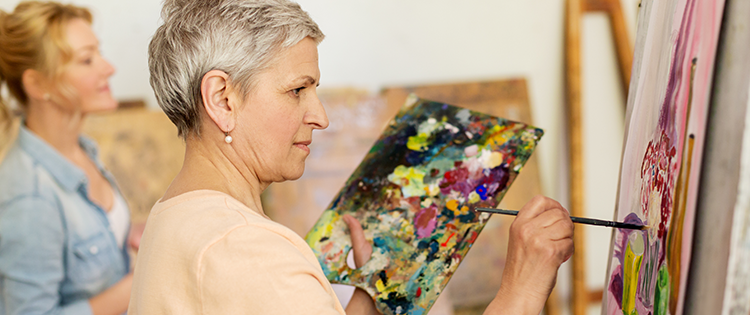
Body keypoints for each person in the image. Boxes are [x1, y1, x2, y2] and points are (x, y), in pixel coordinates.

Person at [128, 0, 575, 314]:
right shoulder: (248, 250)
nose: (319, 116)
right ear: (223, 99)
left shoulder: (174, 215)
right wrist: (522, 288)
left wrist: (366, 298)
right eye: (297, 90)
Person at [0, 2, 135, 314]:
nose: (108, 67)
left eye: (98, 53)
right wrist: (137, 283)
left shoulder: (82, 150)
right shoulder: (29, 197)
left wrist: (125, 228)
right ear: (37, 84)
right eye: (87, 60)